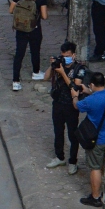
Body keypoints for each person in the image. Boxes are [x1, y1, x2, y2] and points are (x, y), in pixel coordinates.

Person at [44, 40, 87, 174]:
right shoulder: (59, 64)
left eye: (67, 55)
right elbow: (45, 78)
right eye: (63, 55)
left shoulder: (79, 69)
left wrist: (63, 73)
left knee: (72, 134)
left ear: (73, 55)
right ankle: (59, 157)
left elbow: (75, 87)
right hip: (57, 103)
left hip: (71, 105)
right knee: (58, 131)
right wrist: (52, 66)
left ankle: (73, 161)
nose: (65, 58)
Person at [73, 72, 105, 207]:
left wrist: (75, 96)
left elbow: (77, 106)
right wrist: (88, 90)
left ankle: (95, 197)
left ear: (92, 84)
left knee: (95, 168)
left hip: (97, 139)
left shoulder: (90, 101)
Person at [9, 0, 49, 90]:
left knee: (19, 54)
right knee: (35, 50)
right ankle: (36, 72)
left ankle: (15, 81)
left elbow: (11, 10)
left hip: (20, 28)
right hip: (34, 29)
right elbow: (45, 16)